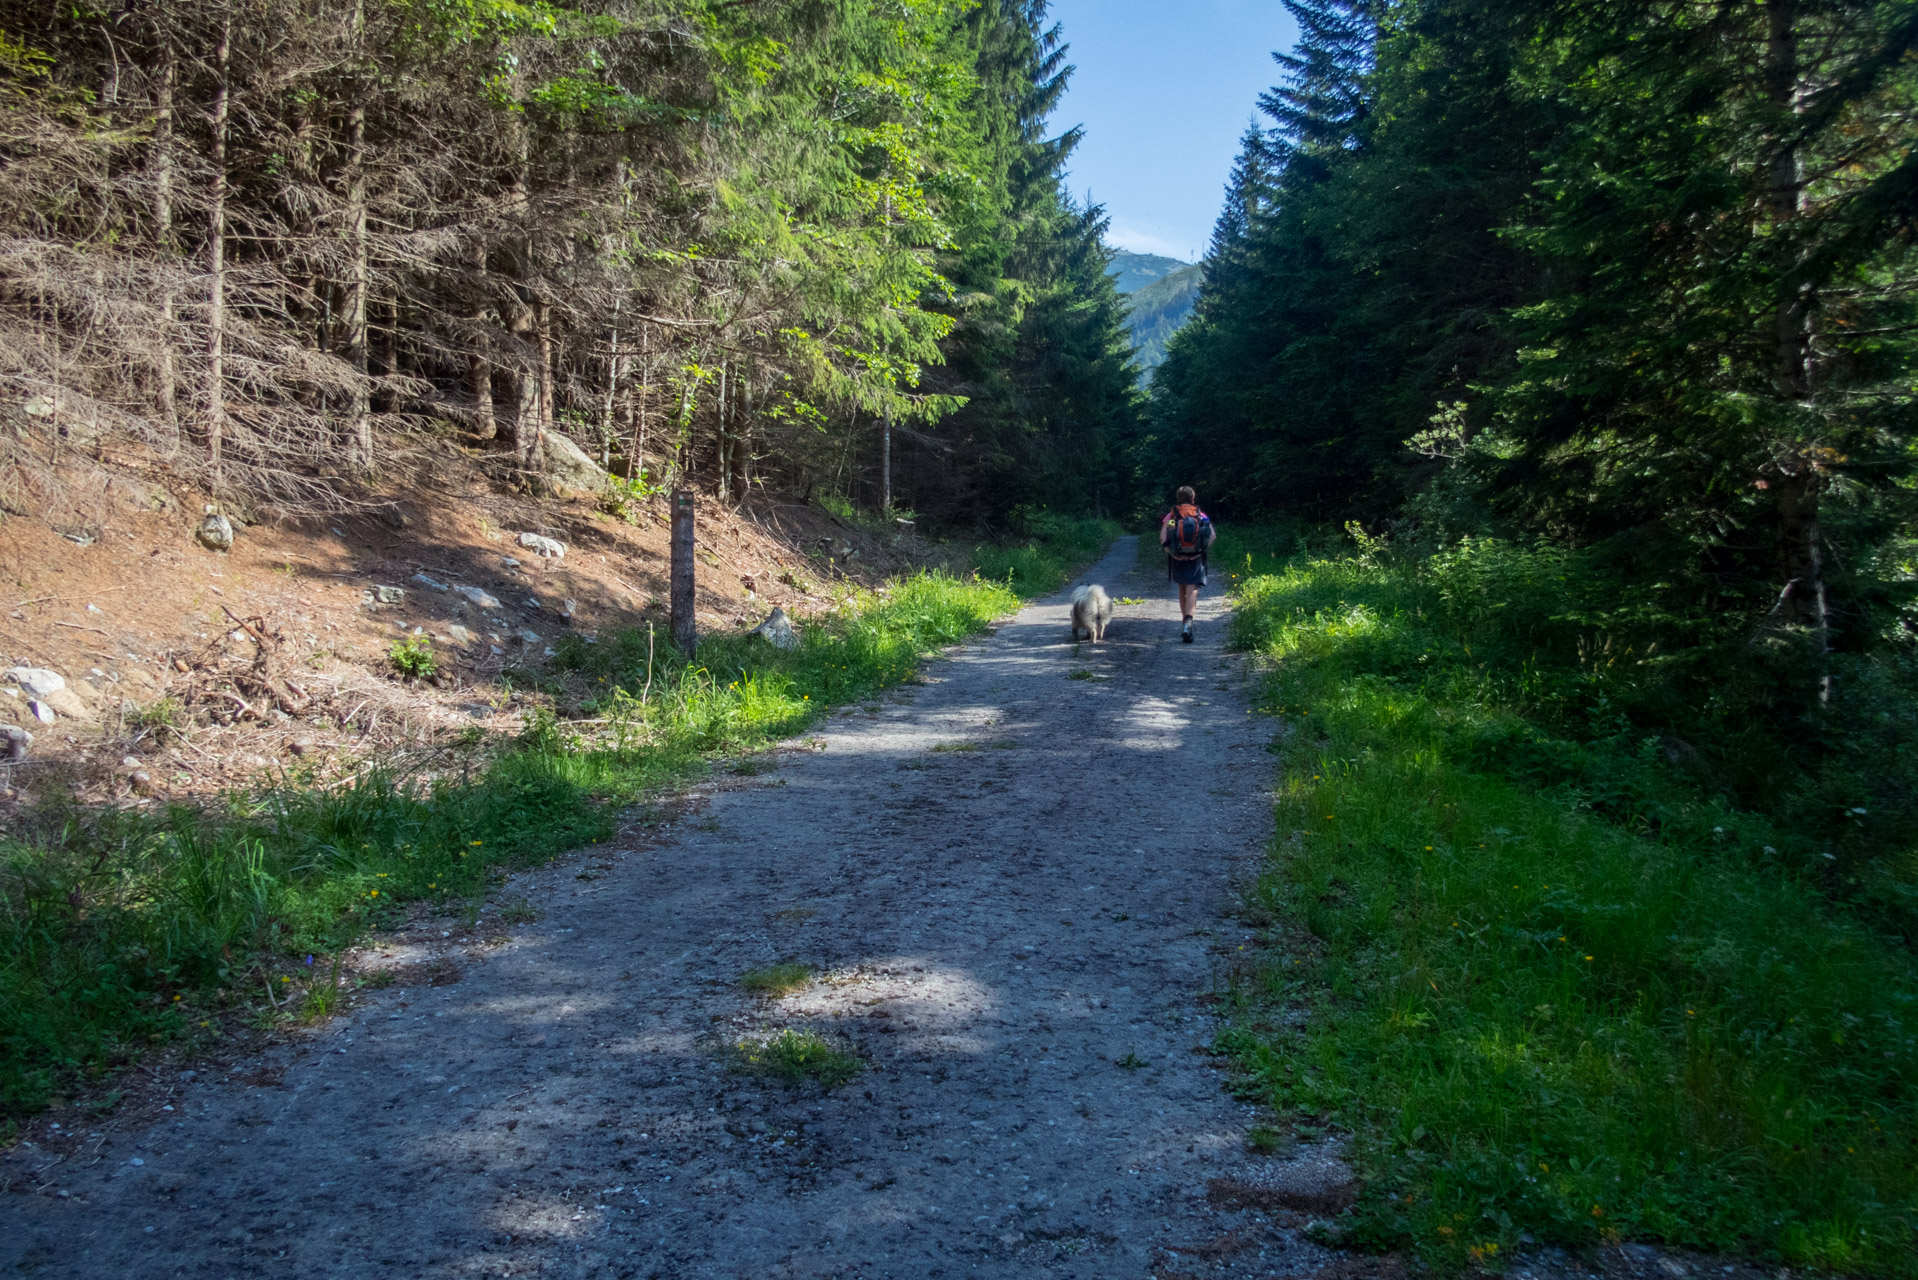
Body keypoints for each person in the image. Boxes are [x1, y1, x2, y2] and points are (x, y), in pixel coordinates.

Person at [1159, 486, 1215, 643]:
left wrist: (1172, 553)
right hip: (1196, 557)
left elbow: (1164, 538)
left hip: (1177, 556)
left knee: (1182, 589)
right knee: (1192, 590)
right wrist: (1200, 551)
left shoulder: (1172, 516)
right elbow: (1213, 536)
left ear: (1178, 498)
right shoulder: (1199, 515)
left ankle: (1185, 623)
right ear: (1192, 498)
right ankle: (1188, 623)